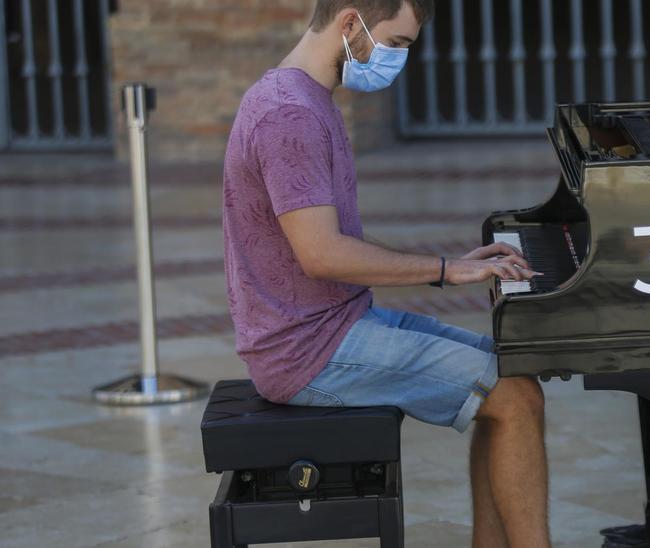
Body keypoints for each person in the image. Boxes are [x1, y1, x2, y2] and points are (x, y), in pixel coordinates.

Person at [221, 1, 550, 546]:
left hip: (333, 325)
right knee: (513, 396)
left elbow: (334, 238)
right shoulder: (290, 114)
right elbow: (322, 254)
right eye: (396, 44)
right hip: (307, 353)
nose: (399, 60)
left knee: (512, 379)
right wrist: (446, 272)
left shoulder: (303, 97)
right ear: (350, 24)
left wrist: (462, 263)